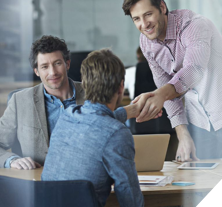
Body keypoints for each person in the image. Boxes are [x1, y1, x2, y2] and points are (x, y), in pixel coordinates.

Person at [122, 0, 222, 161]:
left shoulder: (194, 26)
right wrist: (183, 134)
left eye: (148, 14)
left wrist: (160, 95)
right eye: (136, 19)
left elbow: (194, 71)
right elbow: (166, 88)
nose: (144, 24)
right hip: (199, 121)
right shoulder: (146, 43)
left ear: (162, 7)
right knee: (203, 183)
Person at [42, 49, 146, 207]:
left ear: (84, 84)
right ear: (121, 87)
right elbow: (129, 195)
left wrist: (128, 111)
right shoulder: (117, 133)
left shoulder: (68, 115)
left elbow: (94, 121)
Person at [0, 35, 85, 169]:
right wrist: (12, 160)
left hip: (85, 178)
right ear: (36, 71)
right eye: (44, 67)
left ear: (67, 64)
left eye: (57, 63)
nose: (52, 72)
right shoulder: (20, 102)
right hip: (40, 180)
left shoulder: (93, 94)